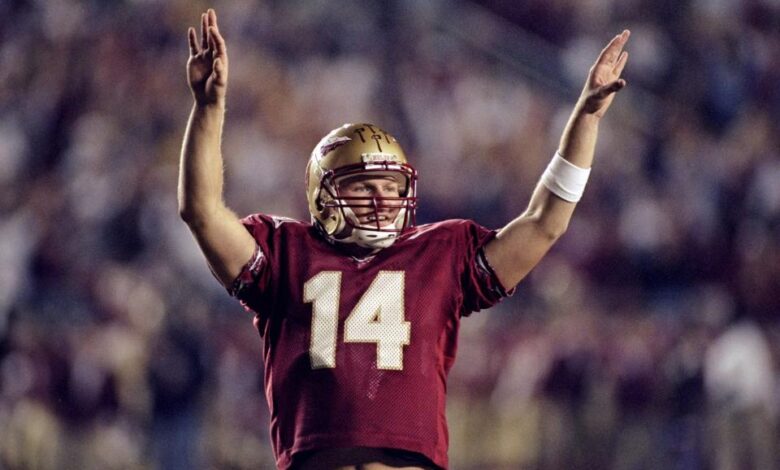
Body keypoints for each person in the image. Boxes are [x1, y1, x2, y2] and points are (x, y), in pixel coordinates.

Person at [178, 8, 630, 470]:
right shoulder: (285, 251)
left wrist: (586, 118)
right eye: (363, 186)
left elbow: (544, 222)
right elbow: (202, 211)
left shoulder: (439, 252)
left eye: (392, 188)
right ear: (324, 194)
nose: (382, 199)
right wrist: (208, 109)